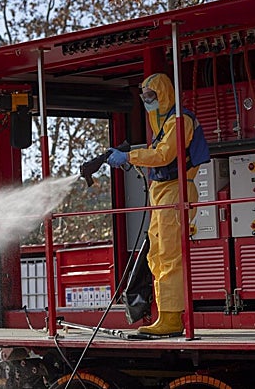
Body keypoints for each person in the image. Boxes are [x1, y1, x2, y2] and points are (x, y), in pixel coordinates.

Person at [107, 72, 210, 336]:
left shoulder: (180, 121)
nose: (148, 101)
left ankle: (172, 319)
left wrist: (130, 156)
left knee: (170, 256)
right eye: (144, 97)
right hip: (162, 192)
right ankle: (165, 314)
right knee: (157, 255)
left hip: (176, 191)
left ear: (163, 94)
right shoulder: (163, 123)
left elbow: (165, 154)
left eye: (151, 96)